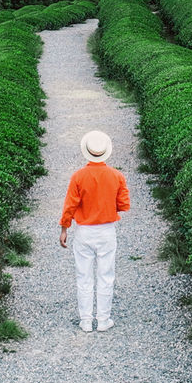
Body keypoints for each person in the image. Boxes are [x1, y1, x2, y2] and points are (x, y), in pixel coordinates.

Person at [59, 130, 130, 332]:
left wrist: (64, 228)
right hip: (107, 231)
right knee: (106, 275)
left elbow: (70, 206)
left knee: (84, 276)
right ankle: (104, 319)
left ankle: (86, 320)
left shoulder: (78, 177)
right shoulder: (117, 176)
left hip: (83, 232)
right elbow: (124, 204)